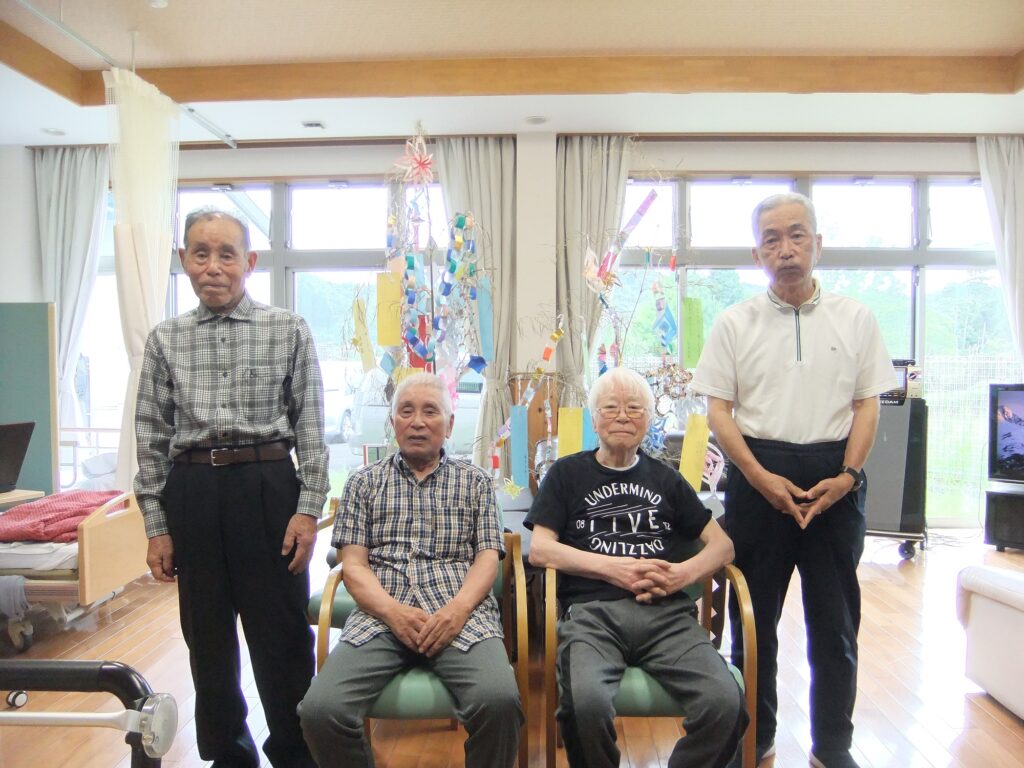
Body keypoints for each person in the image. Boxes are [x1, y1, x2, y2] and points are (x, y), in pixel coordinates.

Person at [689, 192, 897, 768]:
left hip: (835, 481)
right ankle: (756, 738)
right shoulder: (735, 323)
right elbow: (719, 411)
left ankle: (833, 746)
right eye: (772, 239)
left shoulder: (856, 318)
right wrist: (759, 477)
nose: (786, 249)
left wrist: (849, 475)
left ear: (818, 244)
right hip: (758, 480)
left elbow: (867, 404)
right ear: (757, 254)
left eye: (797, 235)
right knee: (753, 623)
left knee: (836, 625)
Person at [135, 207, 328, 768]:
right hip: (193, 492)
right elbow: (151, 435)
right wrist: (157, 525)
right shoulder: (165, 339)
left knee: (282, 635)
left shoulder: (287, 329)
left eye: (226, 254)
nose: (213, 266)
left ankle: (295, 754)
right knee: (207, 638)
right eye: (201, 253)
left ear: (250, 262)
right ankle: (228, 756)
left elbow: (311, 429)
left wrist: (307, 511)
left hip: (268, 489)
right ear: (184, 260)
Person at [526, 366, 747, 768]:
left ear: (648, 420)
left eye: (634, 408)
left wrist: (681, 575)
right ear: (594, 419)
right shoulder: (566, 473)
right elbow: (540, 550)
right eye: (611, 408)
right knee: (585, 705)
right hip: (592, 615)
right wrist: (613, 569)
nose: (623, 417)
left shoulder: (667, 479)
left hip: (667, 615)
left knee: (725, 701)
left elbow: (723, 546)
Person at [299, 372, 523, 767]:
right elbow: (354, 565)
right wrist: (393, 613)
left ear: (449, 424)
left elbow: (488, 557)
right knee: (321, 711)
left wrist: (457, 611)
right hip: (380, 614)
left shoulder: (476, 482)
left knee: (500, 701)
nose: (417, 421)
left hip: (461, 614)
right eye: (406, 411)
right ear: (392, 422)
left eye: (430, 411)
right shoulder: (363, 483)